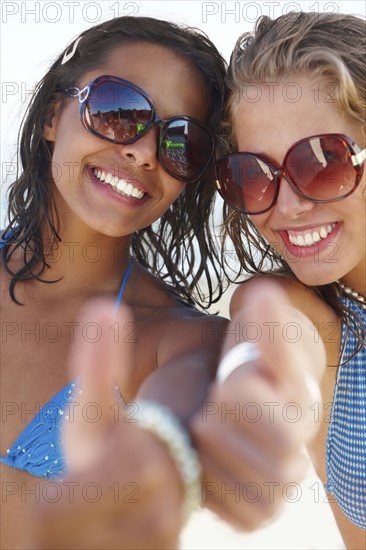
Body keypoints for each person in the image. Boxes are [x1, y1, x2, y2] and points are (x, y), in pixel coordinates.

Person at [0, 15, 324, 549]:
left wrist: (167, 446)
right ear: (54, 115)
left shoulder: (177, 338)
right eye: (118, 112)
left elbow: (201, 386)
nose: (145, 152)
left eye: (182, 142)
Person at [215, 11, 365, 549]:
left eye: (323, 162)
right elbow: (271, 329)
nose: (289, 206)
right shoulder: (318, 325)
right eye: (254, 175)